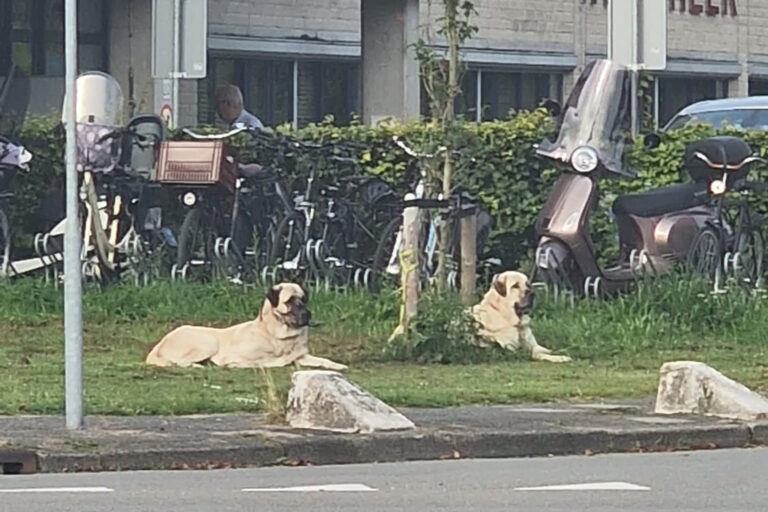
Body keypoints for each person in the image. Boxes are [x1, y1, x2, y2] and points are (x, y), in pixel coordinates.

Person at [214, 84, 264, 177]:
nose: (217, 111)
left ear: (228, 104)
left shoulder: (251, 125)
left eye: (218, 105)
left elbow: (255, 155)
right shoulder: (234, 124)